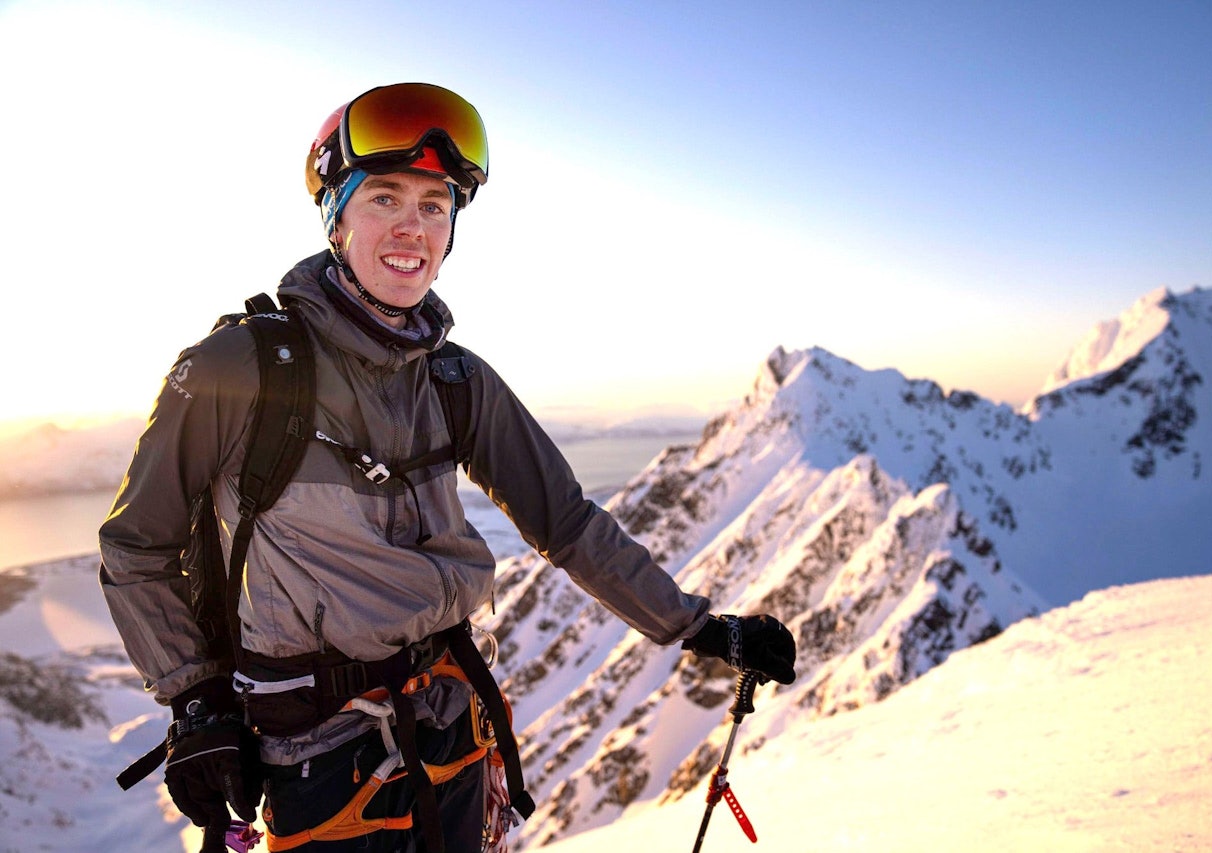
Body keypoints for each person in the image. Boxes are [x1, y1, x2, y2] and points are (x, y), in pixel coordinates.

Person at [99, 82, 797, 853]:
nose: (413, 227)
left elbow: (565, 522)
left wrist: (697, 626)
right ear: (337, 217)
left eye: (435, 206)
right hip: (316, 767)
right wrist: (195, 701)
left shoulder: (456, 380)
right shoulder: (241, 367)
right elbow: (137, 544)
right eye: (386, 198)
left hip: (452, 731)